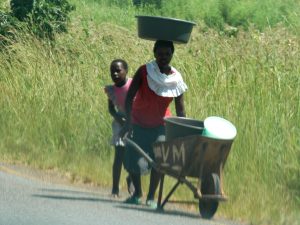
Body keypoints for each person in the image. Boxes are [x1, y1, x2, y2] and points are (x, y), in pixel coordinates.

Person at [121, 40, 187, 208]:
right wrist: (128, 121)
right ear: (154, 53)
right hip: (137, 121)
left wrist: (183, 130)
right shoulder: (144, 71)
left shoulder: (176, 79)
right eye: (160, 53)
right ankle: (137, 194)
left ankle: (151, 197)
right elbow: (129, 98)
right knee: (132, 158)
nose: (163, 57)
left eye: (167, 54)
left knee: (159, 159)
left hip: (161, 125)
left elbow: (180, 108)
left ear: (172, 54)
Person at [104, 59, 134, 198]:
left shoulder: (133, 85)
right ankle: (115, 189)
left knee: (134, 155)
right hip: (120, 122)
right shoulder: (112, 90)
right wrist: (119, 119)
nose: (115, 74)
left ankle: (132, 179)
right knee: (119, 156)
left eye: (118, 70)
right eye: (112, 71)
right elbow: (111, 109)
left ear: (126, 70)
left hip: (135, 122)